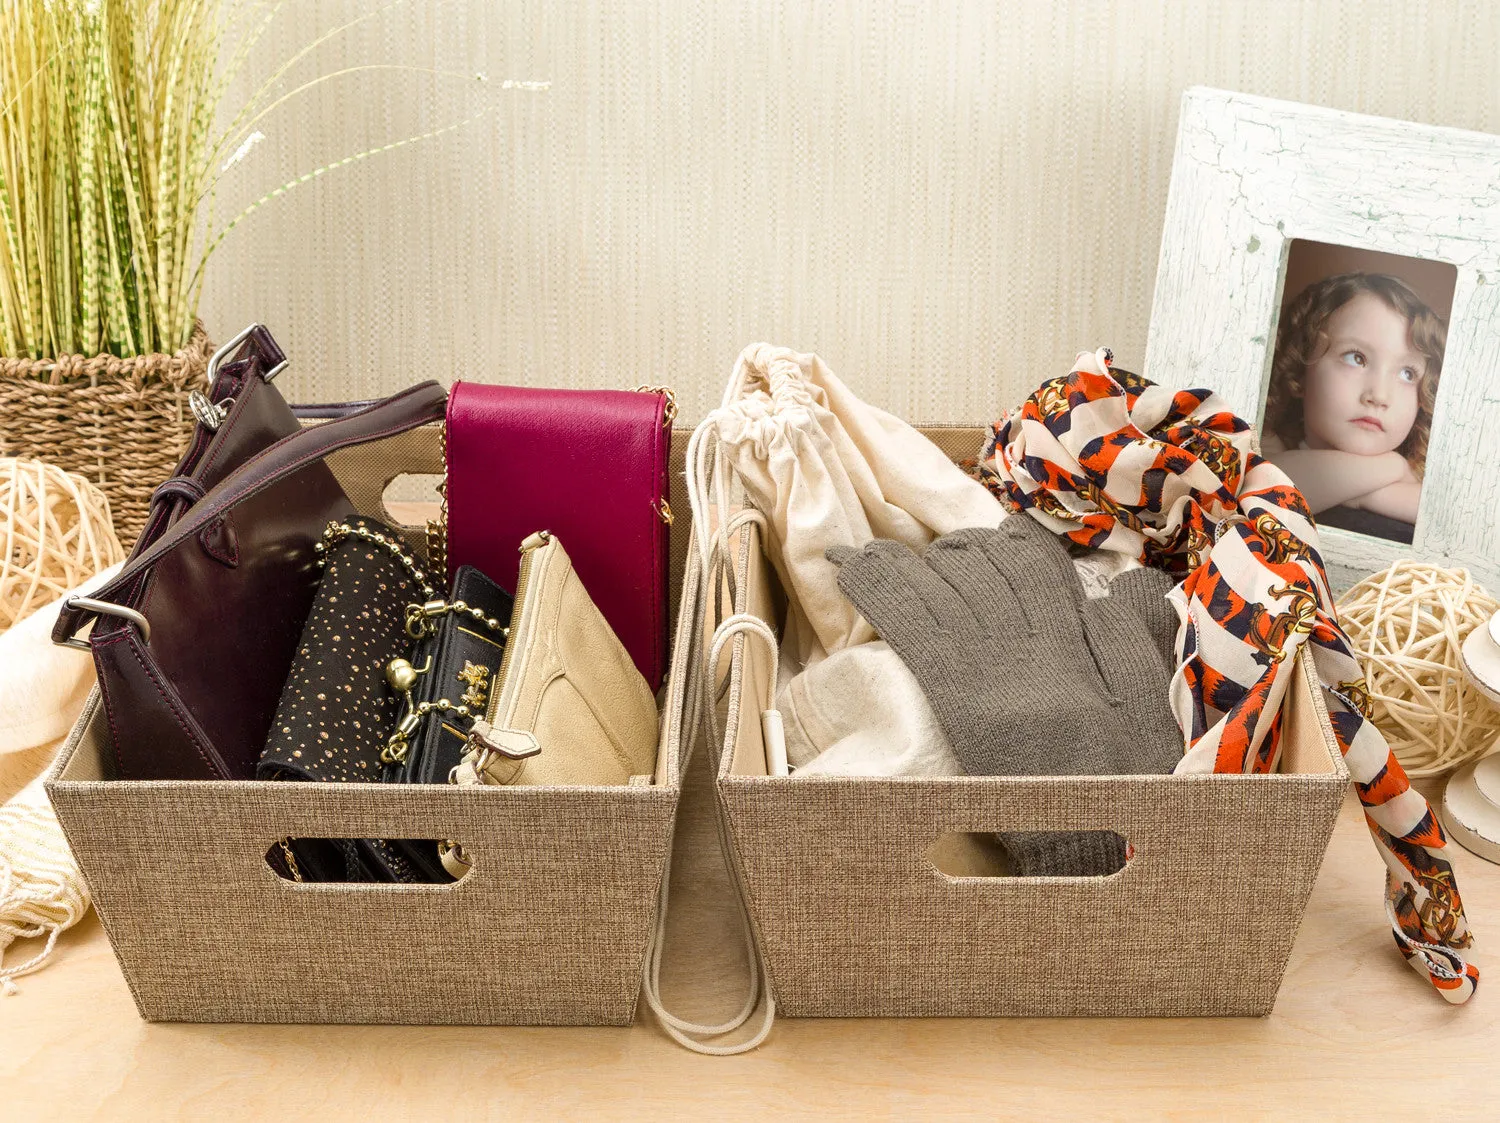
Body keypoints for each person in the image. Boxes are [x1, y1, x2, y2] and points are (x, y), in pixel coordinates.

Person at [1262, 272, 1445, 543]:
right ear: (1300, 370)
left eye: (1408, 373)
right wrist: (1392, 467)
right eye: (1356, 358)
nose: (1379, 395)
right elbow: (1269, 491)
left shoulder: (1428, 488)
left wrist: (1361, 492)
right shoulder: (1266, 441)